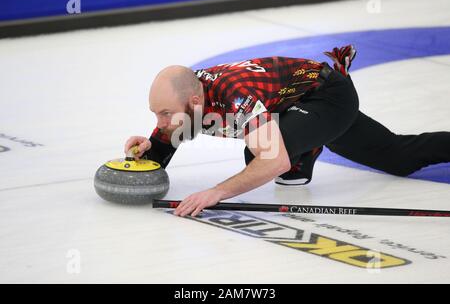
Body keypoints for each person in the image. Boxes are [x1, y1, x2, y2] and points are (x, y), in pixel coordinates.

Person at [124, 45, 450, 217]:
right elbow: (161, 150)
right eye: (156, 114)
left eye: (165, 114)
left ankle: (306, 145)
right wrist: (143, 152)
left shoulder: (235, 96)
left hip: (328, 96)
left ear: (195, 100)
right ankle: (306, 140)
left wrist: (216, 192)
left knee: (261, 153)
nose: (161, 123)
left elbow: (273, 161)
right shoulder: (186, 101)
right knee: (399, 158)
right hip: (292, 104)